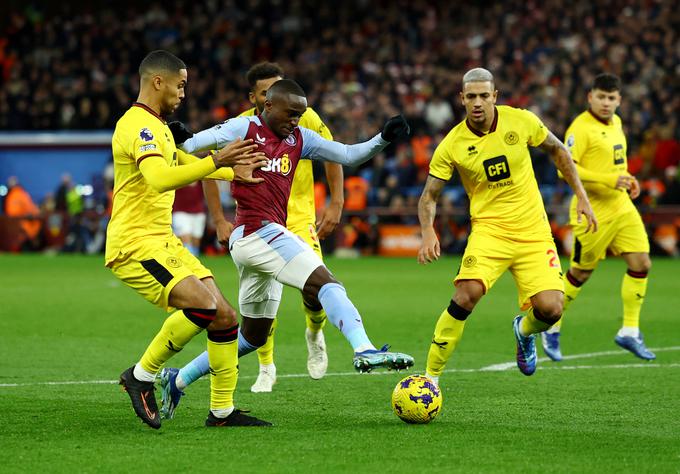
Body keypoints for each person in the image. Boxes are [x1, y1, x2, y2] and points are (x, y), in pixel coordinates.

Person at [160, 78, 413, 418]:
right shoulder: (243, 127)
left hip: (255, 241)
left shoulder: (300, 139)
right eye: (290, 113)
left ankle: (177, 380)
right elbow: (195, 145)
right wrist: (183, 136)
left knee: (251, 337)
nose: (295, 120)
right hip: (256, 231)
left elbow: (349, 155)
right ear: (267, 107)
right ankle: (364, 347)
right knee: (327, 283)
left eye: (300, 114)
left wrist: (383, 138)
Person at [161, 63, 344, 404]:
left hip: (298, 215)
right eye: (265, 92)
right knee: (259, 311)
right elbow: (209, 164)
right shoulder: (242, 126)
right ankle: (266, 366)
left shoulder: (304, 116)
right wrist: (218, 218)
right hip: (257, 220)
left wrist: (336, 203)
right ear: (257, 98)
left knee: (317, 290)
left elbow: (335, 155)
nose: (274, 96)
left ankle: (315, 332)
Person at [106, 49, 270, 429]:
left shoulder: (161, 126)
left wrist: (234, 174)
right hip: (135, 243)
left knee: (226, 317)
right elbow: (160, 178)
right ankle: (142, 376)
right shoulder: (137, 126)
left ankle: (222, 412)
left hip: (162, 240)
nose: (183, 93)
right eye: (180, 85)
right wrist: (219, 161)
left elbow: (182, 165)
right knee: (202, 306)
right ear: (157, 81)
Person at [417, 68, 597, 383]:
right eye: (471, 96)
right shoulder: (452, 145)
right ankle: (430, 377)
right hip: (489, 232)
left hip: (533, 232)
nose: (477, 103)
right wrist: (427, 230)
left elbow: (558, 150)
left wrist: (581, 195)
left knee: (552, 309)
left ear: (495, 96)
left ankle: (524, 330)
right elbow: (428, 196)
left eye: (484, 96)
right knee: (465, 295)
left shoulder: (521, 121)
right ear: (461, 99)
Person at [541, 73, 655, 361]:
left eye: (611, 98)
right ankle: (551, 326)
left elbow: (615, 164)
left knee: (641, 263)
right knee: (580, 273)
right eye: (601, 97)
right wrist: (608, 180)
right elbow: (562, 168)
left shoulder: (616, 122)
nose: (606, 103)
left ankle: (629, 330)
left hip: (621, 207)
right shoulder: (579, 129)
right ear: (590, 97)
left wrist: (627, 179)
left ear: (619, 100)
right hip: (591, 211)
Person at [172, 181, 207, 256]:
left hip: (198, 213)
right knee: (185, 235)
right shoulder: (180, 177)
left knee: (196, 240)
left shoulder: (202, 179)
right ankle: (187, 259)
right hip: (180, 212)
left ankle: (194, 259)